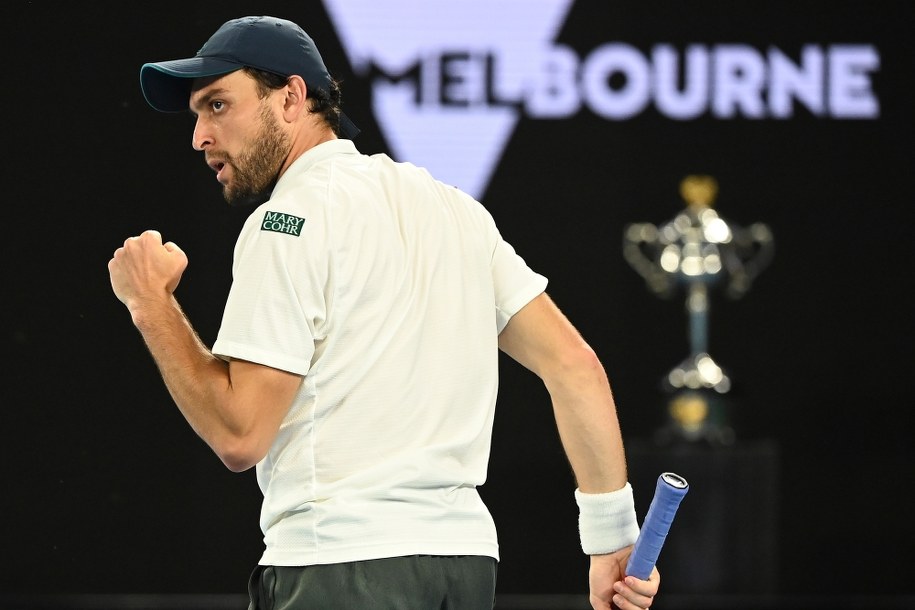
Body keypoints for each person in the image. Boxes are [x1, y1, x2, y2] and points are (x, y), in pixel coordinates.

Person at [108, 15, 660, 610]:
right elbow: (575, 367)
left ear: (292, 98)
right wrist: (611, 542)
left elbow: (240, 434)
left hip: (337, 568)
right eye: (196, 114)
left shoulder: (283, 222)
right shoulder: (455, 211)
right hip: (463, 570)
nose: (199, 136)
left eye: (218, 104)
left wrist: (151, 304)